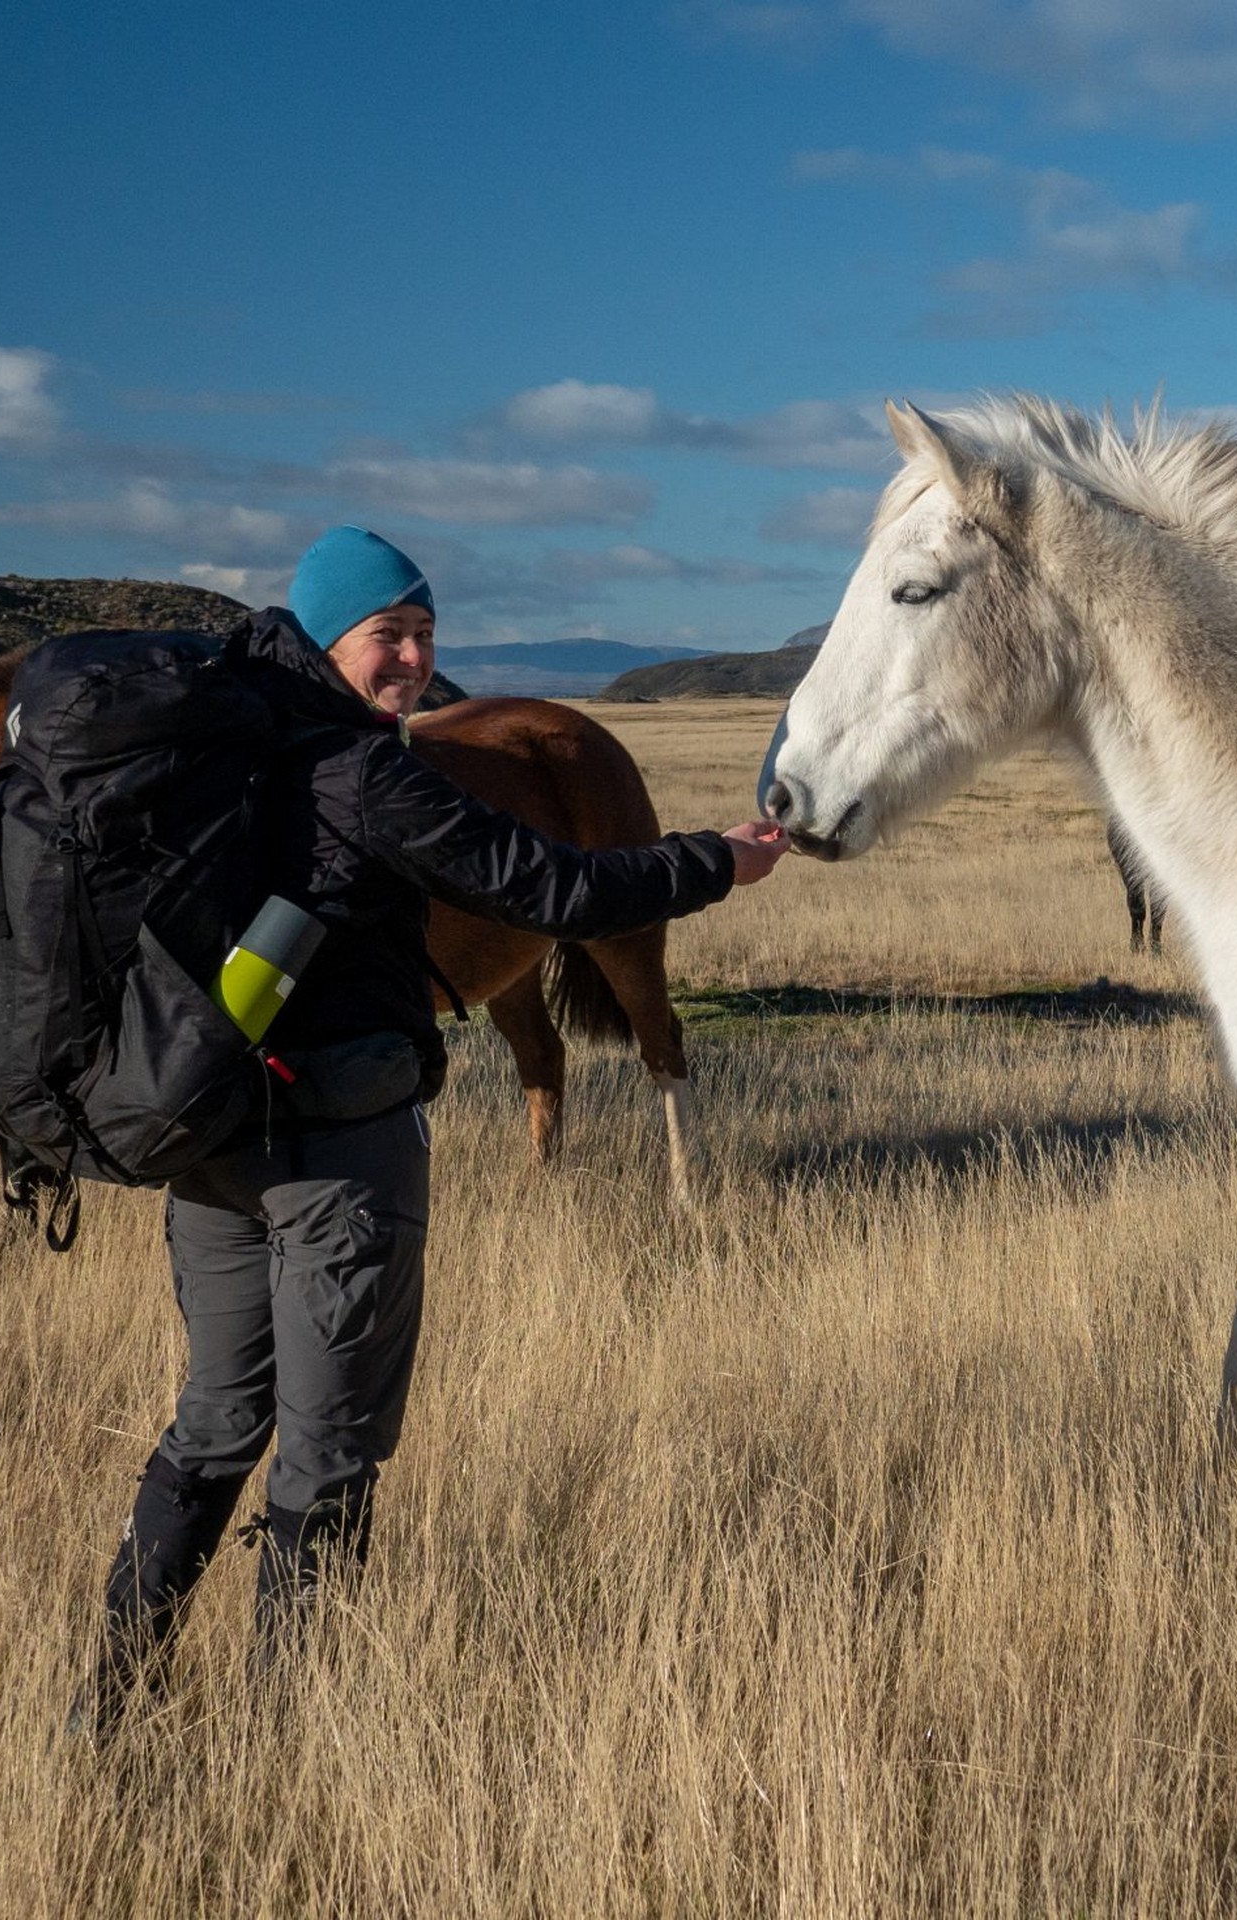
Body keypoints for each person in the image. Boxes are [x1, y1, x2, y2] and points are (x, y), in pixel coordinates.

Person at [82, 525, 787, 1729]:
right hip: (340, 1147)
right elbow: (555, 889)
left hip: (207, 1138)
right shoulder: (364, 773)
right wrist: (713, 861)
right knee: (333, 1448)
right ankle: (288, 1730)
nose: (411, 660)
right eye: (386, 636)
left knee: (211, 1422)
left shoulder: (223, 754)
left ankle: (111, 1698)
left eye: (424, 635)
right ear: (322, 636)